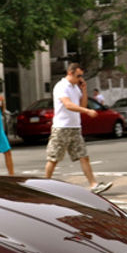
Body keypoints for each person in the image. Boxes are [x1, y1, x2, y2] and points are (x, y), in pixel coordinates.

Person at [43, 63, 113, 195]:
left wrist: (84, 90)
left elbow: (82, 104)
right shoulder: (61, 86)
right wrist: (87, 111)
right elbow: (68, 105)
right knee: (54, 158)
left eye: (81, 76)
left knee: (83, 156)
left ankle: (94, 184)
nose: (80, 78)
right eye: (78, 76)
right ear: (70, 73)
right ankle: (44, 185)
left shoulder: (76, 87)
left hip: (75, 127)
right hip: (62, 127)